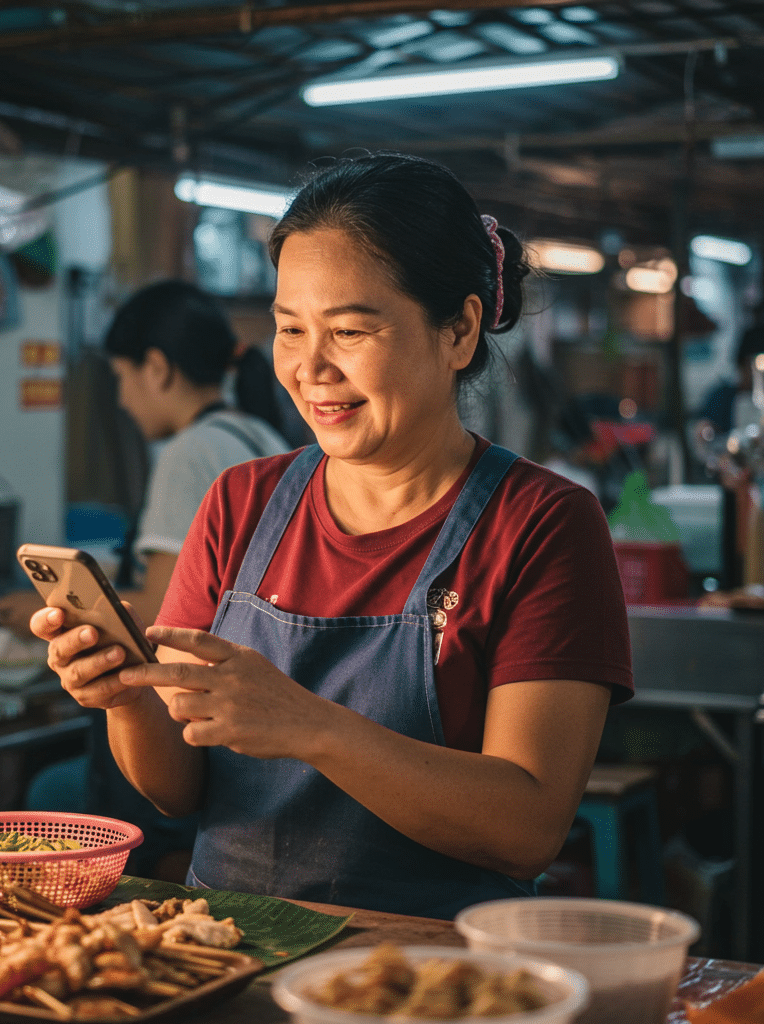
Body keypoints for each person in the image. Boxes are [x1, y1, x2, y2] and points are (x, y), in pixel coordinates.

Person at [32, 153, 633, 918]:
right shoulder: (239, 504)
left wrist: (308, 725)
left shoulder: (542, 524)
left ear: (458, 330)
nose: (310, 367)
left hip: (426, 976)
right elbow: (175, 788)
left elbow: (527, 828)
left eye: (349, 330)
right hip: (229, 956)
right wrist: (123, 696)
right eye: (289, 328)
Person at [2, 280, 290, 881]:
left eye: (123, 378)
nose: (125, 402)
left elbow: (162, 615)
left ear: (156, 368)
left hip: (186, 727)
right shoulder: (254, 436)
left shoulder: (191, 451)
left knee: (46, 800)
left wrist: (56, 608)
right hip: (242, 719)